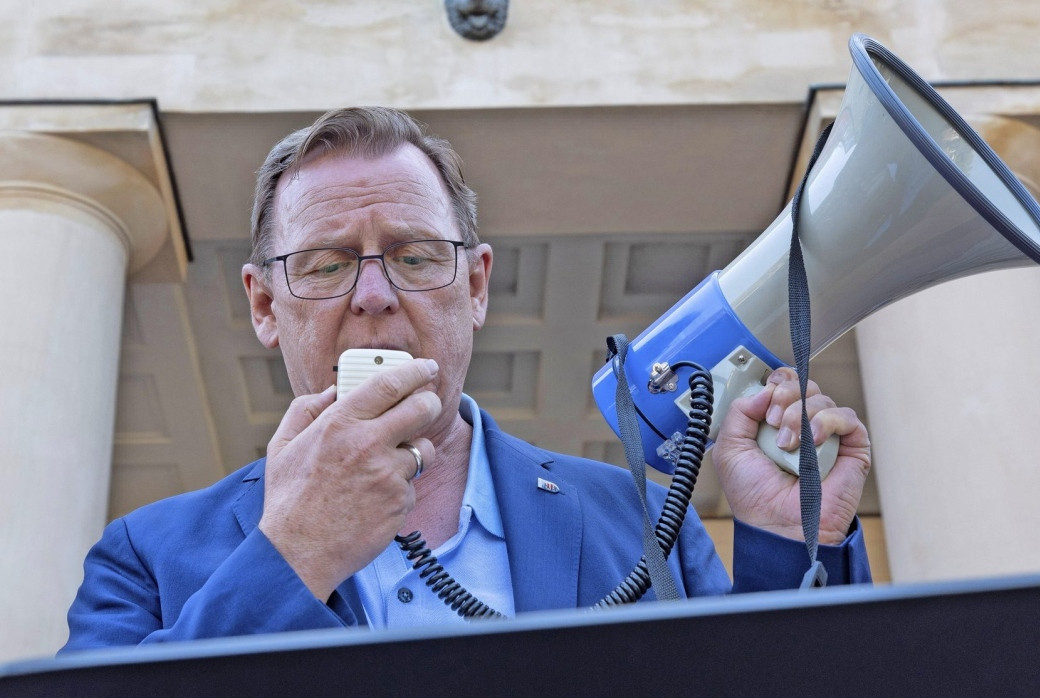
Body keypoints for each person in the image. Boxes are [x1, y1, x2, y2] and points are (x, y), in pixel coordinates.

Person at [61, 107, 872, 650]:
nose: (374, 297)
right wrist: (296, 552)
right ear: (265, 304)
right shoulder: (147, 555)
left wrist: (795, 540)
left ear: (476, 285)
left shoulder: (639, 515)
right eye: (324, 264)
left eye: (414, 257)